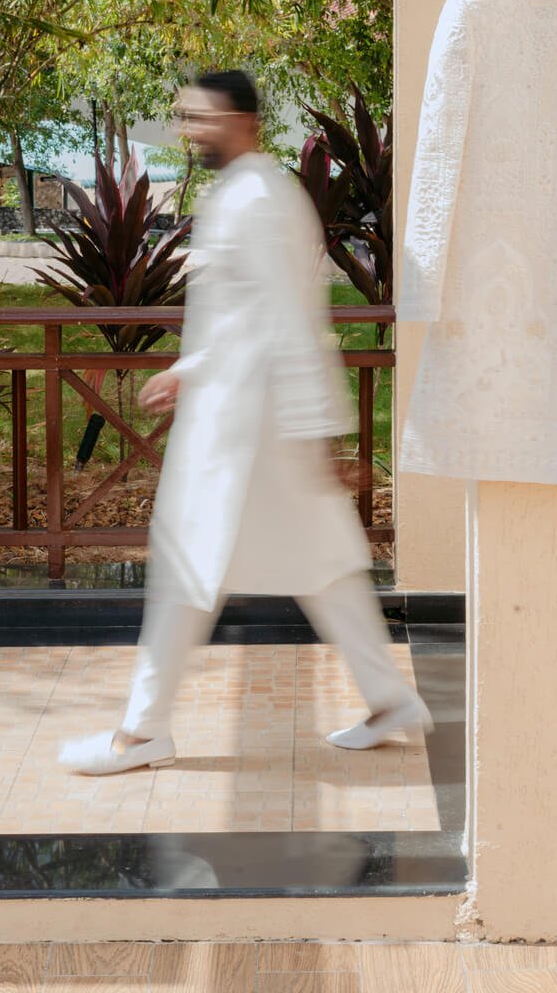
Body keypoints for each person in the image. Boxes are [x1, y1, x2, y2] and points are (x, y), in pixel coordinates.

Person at [59, 69, 432, 775]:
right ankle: (389, 701)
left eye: (202, 117)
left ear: (245, 122)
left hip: (254, 434)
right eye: (186, 117)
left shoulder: (260, 198)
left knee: (186, 566)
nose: (191, 130)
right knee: (321, 569)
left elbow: (291, 325)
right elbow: (239, 317)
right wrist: (190, 369)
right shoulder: (243, 192)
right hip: (243, 424)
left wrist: (315, 436)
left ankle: (142, 733)